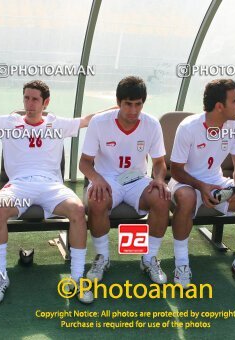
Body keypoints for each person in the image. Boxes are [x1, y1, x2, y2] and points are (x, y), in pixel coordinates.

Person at [0, 80, 97, 304]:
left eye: (35, 99)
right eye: (26, 98)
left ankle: (77, 278)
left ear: (46, 102)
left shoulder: (56, 124)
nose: (29, 103)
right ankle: (0, 277)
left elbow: (87, 120)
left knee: (77, 210)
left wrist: (120, 108)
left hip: (50, 185)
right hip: (19, 185)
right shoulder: (9, 122)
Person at [169, 79, 235, 287]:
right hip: (185, 183)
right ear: (219, 106)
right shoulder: (188, 127)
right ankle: (181, 265)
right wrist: (202, 187)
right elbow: (176, 170)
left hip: (217, 183)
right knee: (187, 198)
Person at [79, 76, 170, 284]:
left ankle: (149, 258)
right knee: (96, 198)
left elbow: (158, 163)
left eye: (138, 104)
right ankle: (103, 257)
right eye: (128, 104)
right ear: (119, 102)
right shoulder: (99, 123)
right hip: (107, 178)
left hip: (137, 179)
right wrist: (96, 179)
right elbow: (84, 163)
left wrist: (159, 179)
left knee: (162, 197)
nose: (133, 110)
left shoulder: (152, 124)